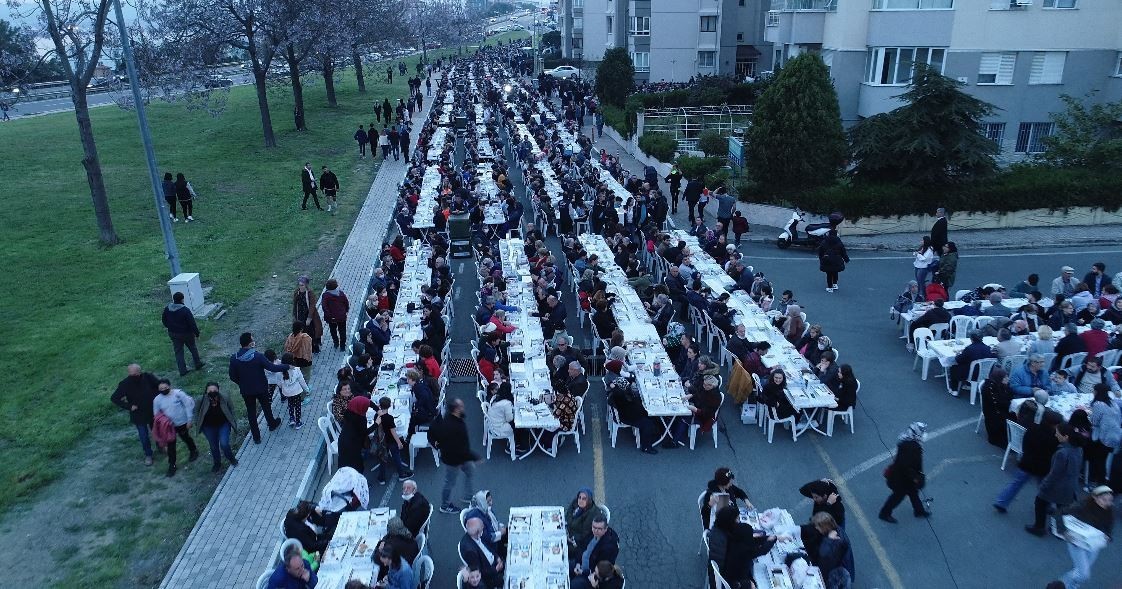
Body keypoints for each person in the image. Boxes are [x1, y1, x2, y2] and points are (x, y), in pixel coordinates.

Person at [228, 332, 289, 443]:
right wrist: (287, 366)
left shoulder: (234, 358)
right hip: (261, 388)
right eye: (253, 340)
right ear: (250, 343)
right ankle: (272, 424)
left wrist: (241, 383)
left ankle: (256, 437)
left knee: (251, 413)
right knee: (266, 407)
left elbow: (232, 376)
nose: (254, 341)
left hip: (246, 391)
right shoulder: (257, 356)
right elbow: (272, 368)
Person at [1027, 423, 1083, 536]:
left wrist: (1044, 485)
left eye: (1057, 433)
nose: (1056, 435)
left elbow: (1054, 474)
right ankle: (1060, 529)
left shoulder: (1062, 453)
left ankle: (1039, 528)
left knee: (1040, 501)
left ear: (1066, 437)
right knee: (1061, 506)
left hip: (1058, 486)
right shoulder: (1078, 449)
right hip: (1070, 486)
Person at [1054, 485, 1115, 589]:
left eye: (1109, 500)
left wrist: (1108, 536)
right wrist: (1063, 531)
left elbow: (1108, 526)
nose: (1107, 503)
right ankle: (1059, 585)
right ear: (1095, 497)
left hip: (1094, 544)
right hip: (1077, 542)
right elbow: (1059, 513)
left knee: (1080, 570)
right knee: (1084, 574)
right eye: (1103, 500)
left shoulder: (1109, 510)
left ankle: (1072, 586)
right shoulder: (1082, 506)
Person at [708, 505, 777, 589]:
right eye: (737, 519)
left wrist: (762, 538)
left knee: (760, 533)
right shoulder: (734, 544)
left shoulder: (721, 528)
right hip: (726, 579)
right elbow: (760, 550)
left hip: (726, 570)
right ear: (730, 521)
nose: (738, 521)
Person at [431, 398, 479, 514]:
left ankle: (468, 496)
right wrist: (474, 457)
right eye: (461, 407)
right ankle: (445, 505)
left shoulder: (449, 419)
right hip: (453, 459)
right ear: (456, 409)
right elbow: (462, 447)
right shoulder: (456, 426)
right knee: (450, 482)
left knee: (470, 471)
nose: (464, 408)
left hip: (458, 456)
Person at [878, 422, 931, 523]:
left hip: (903, 477)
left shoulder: (907, 443)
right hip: (901, 479)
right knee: (897, 497)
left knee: (913, 493)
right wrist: (915, 477)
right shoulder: (913, 448)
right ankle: (884, 513)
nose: (924, 434)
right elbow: (906, 467)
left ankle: (919, 511)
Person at [110, 364, 161, 466]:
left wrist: (158, 399)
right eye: (130, 374)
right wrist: (129, 406)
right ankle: (148, 454)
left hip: (152, 410)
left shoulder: (148, 377)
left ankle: (161, 446)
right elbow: (114, 398)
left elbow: (159, 386)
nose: (132, 376)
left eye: (134, 374)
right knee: (143, 435)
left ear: (139, 372)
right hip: (138, 414)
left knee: (156, 430)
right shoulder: (125, 383)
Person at [152, 379, 198, 477]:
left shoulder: (178, 394)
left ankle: (193, 450)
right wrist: (161, 426)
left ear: (169, 386)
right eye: (161, 388)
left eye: (165, 388)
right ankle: (172, 465)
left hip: (182, 423)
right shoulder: (157, 400)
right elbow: (156, 414)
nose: (163, 390)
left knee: (185, 437)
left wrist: (189, 420)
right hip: (169, 426)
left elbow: (187, 406)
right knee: (171, 446)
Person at [194, 382, 239, 472]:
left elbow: (232, 409)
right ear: (206, 391)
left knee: (224, 444)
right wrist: (198, 424)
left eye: (214, 390)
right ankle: (217, 463)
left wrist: (233, 421)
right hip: (208, 427)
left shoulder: (224, 397)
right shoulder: (201, 400)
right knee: (213, 446)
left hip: (223, 424)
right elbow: (196, 412)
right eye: (210, 390)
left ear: (218, 390)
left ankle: (231, 458)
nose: (212, 392)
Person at [570, 515, 619, 589]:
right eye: (594, 527)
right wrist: (577, 563)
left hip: (590, 575)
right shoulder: (592, 532)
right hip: (581, 563)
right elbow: (582, 547)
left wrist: (582, 572)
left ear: (606, 529)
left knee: (572, 586)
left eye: (599, 529)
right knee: (563, 567)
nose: (595, 531)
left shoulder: (608, 548)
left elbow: (601, 571)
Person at [162, 291, 204, 377]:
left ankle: (182, 370)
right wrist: (197, 333)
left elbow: (164, 320)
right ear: (182, 299)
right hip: (186, 334)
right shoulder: (185, 310)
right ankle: (198, 364)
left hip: (173, 334)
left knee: (178, 352)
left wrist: (170, 327)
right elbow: (192, 323)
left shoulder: (167, 308)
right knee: (193, 348)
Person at [1086, 383, 1121, 486]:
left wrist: (1089, 414)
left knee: (1097, 460)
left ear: (1097, 392)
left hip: (1103, 437)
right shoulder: (1112, 402)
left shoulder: (1098, 404)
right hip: (1115, 435)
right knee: (1103, 459)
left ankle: (1096, 481)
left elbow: (1094, 422)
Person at [373, 396, 413, 483]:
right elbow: (393, 432)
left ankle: (381, 478)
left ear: (379, 405)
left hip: (381, 441)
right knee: (396, 457)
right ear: (390, 405)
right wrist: (399, 442)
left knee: (382, 459)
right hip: (391, 441)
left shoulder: (377, 415)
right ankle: (401, 474)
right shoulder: (389, 418)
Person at [460, 517, 504, 589]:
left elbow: (488, 548)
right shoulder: (470, 552)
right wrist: (496, 569)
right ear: (478, 532)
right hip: (490, 576)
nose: (483, 531)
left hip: (494, 563)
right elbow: (480, 572)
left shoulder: (474, 535)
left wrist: (497, 558)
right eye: (482, 529)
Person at [980, 367, 1014, 448]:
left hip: (1002, 410)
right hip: (994, 415)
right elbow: (998, 403)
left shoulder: (1002, 385)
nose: (1007, 379)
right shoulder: (989, 388)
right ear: (999, 378)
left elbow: (1010, 395)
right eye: (1005, 377)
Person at [293, 277, 324, 353]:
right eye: (299, 285)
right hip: (300, 315)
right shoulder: (297, 292)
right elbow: (295, 304)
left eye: (302, 285)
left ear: (306, 285)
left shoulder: (310, 293)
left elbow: (312, 305)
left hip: (309, 315)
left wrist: (309, 318)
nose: (300, 287)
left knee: (312, 332)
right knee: (303, 331)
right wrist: (294, 315)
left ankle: (315, 347)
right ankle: (308, 346)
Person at [321, 278, 350, 351]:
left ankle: (336, 343)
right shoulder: (341, 293)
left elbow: (324, 307)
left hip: (331, 318)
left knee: (333, 330)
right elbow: (346, 302)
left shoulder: (326, 296)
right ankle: (342, 346)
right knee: (342, 330)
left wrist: (329, 315)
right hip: (341, 316)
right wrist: (346, 310)